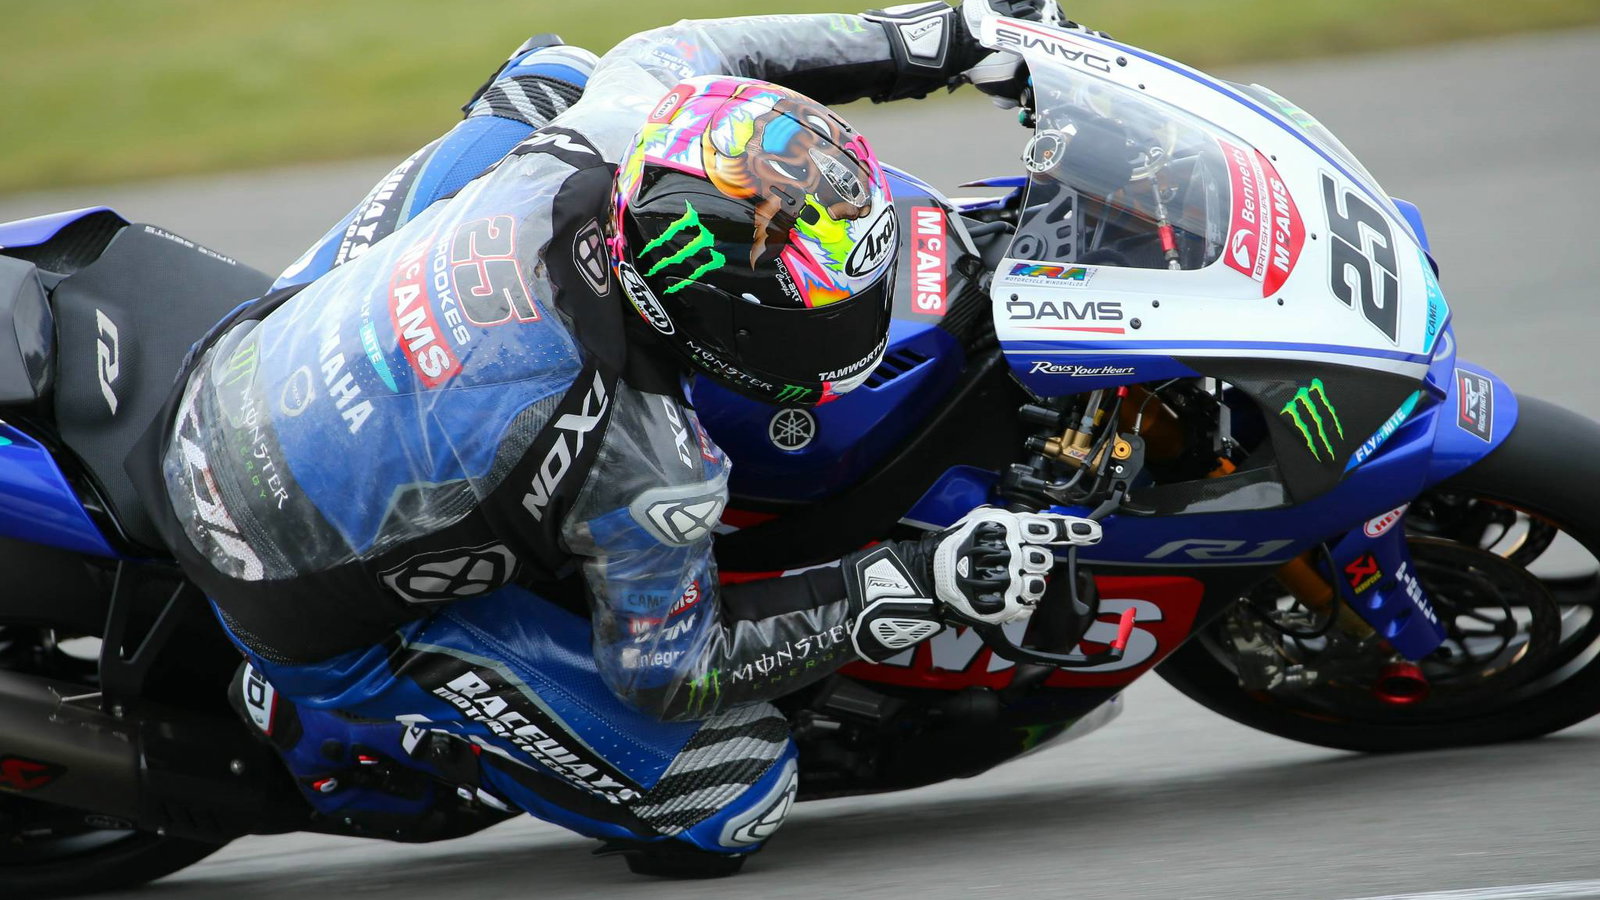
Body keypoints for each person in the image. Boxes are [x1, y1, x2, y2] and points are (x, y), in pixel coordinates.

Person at [140, 0, 1104, 876]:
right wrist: (916, 582)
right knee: (736, 792)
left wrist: (931, 38)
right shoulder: (644, 460)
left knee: (555, 74)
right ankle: (353, 722)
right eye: (828, 311)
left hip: (239, 363)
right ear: (733, 322)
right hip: (277, 579)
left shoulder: (616, 135)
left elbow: (695, 47)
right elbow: (668, 672)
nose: (862, 315)